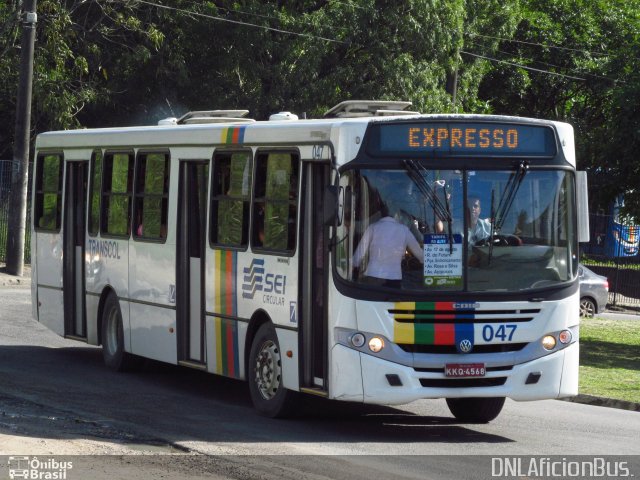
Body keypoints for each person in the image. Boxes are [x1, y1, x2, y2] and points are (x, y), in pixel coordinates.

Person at [353, 205, 423, 288]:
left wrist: (354, 265)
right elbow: (419, 254)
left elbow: (359, 254)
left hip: (372, 274)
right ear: (397, 215)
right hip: (394, 277)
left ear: (380, 214)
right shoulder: (404, 230)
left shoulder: (373, 227)